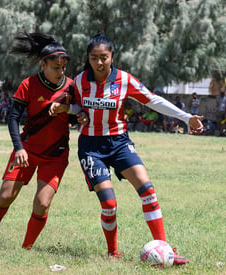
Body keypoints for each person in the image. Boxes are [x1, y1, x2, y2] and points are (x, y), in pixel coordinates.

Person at [52, 34, 203, 263]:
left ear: (112, 56)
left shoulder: (124, 80)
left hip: (120, 143)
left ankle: (165, 250)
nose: (100, 63)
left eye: (104, 57)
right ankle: (112, 251)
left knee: (148, 191)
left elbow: (152, 100)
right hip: (91, 148)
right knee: (110, 204)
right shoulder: (80, 81)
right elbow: (70, 106)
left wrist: (186, 117)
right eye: (94, 58)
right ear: (88, 58)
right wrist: (75, 113)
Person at [0, 32, 83, 250]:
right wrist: (18, 148)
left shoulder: (73, 87)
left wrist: (78, 115)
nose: (60, 71)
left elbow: (78, 113)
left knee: (42, 204)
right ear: (43, 65)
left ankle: (26, 249)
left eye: (63, 67)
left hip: (55, 155)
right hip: (27, 150)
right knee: (5, 196)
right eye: (55, 67)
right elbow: (13, 117)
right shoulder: (29, 84)